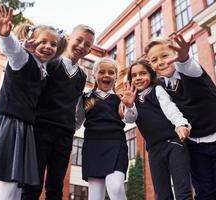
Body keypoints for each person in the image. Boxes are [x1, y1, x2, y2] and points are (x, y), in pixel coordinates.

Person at [0, 4, 65, 200]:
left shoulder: (42, 70)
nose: (48, 46)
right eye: (43, 41)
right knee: (10, 183)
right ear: (32, 41)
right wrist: (4, 35)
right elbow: (12, 51)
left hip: (25, 126)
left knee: (16, 185)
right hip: (11, 123)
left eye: (53, 44)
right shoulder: (22, 59)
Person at [144, 34, 216, 199]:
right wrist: (180, 125)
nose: (160, 62)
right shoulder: (160, 87)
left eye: (164, 55)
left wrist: (184, 57)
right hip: (195, 144)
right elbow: (170, 109)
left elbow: (188, 65)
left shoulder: (190, 70)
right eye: (154, 60)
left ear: (174, 54)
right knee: (204, 192)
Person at [21, 24, 95, 200]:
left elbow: (77, 106)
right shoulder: (52, 63)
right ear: (68, 38)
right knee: (32, 184)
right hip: (41, 129)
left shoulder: (82, 76)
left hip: (65, 135)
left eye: (87, 44)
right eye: (79, 40)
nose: (82, 46)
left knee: (56, 187)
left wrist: (73, 126)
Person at [121, 58, 192, 200]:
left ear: (151, 75)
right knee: (162, 193)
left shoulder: (157, 90)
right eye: (134, 75)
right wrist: (128, 105)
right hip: (154, 150)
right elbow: (130, 119)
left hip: (173, 143)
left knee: (182, 191)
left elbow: (170, 108)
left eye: (142, 74)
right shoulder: (132, 99)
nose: (138, 78)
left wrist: (180, 124)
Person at [75, 57, 128, 200]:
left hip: (116, 144)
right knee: (95, 196)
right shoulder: (88, 98)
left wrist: (129, 106)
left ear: (116, 77)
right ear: (94, 75)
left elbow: (130, 118)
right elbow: (77, 123)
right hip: (93, 146)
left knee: (116, 188)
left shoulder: (120, 98)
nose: (106, 75)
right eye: (102, 72)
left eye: (111, 72)